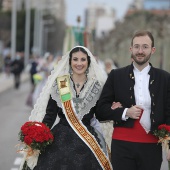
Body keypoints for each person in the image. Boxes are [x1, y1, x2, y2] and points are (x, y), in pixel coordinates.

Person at [19, 46, 112, 170]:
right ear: (70, 61)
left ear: (88, 62)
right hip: (60, 140)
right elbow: (50, 115)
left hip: (87, 141)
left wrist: (112, 108)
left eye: (83, 60)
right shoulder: (60, 84)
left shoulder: (96, 86)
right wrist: (38, 135)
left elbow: (101, 115)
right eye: (75, 59)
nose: (79, 63)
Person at [96, 30, 170, 170]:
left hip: (151, 145)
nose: (140, 51)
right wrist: (124, 112)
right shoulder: (116, 75)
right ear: (131, 49)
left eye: (145, 47)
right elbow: (100, 111)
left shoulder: (164, 78)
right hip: (122, 145)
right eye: (136, 46)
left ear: (152, 50)